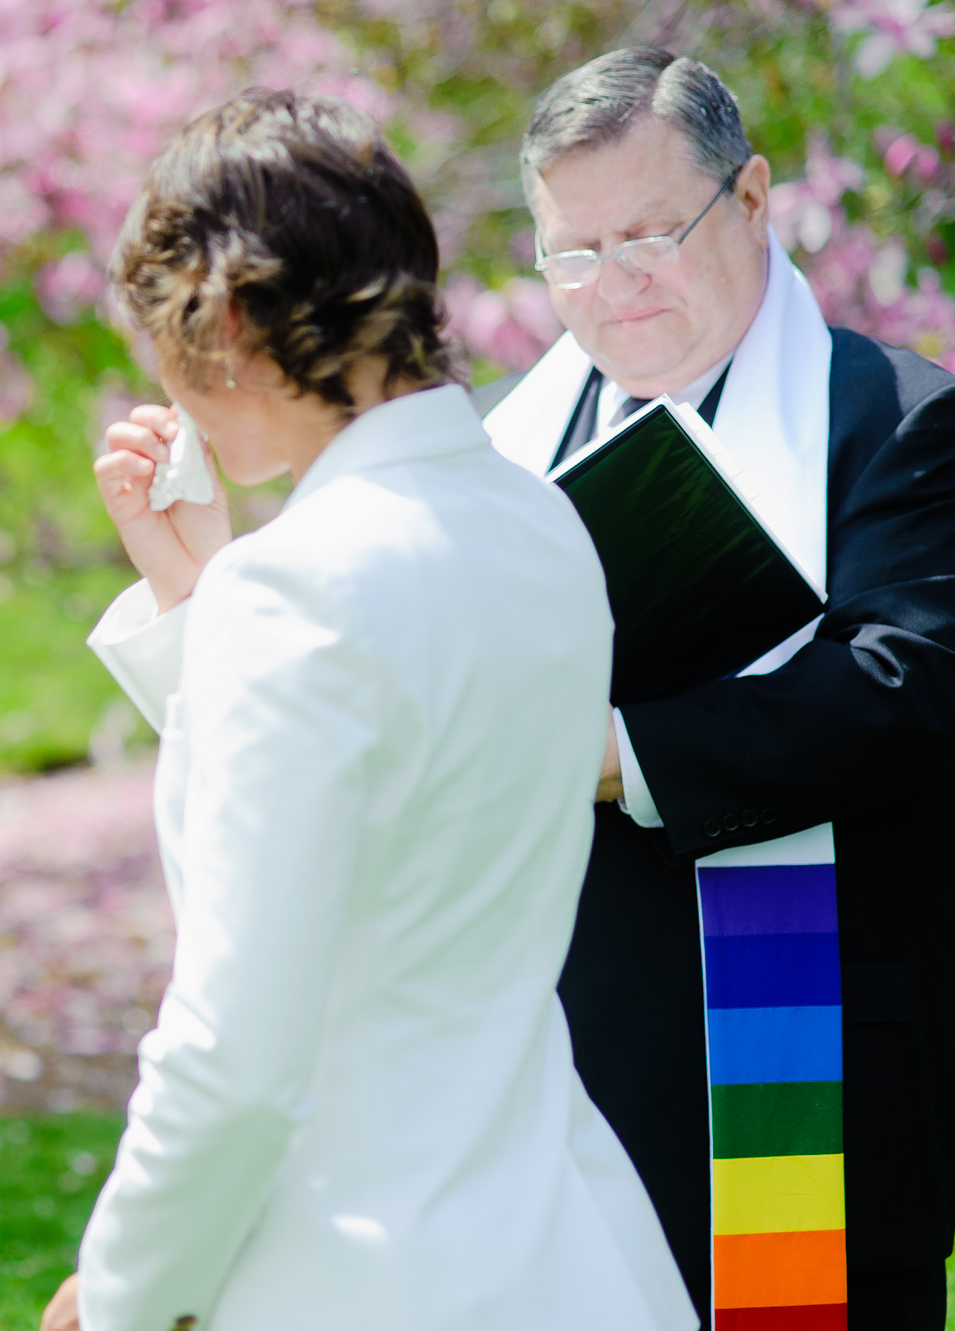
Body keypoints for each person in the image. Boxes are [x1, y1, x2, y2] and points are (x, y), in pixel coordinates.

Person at [40, 90, 695, 1331]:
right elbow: (408, 797)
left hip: (358, 1264)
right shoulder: (536, 525)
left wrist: (130, 1289)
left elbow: (233, 1052)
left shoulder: (292, 591)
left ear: (224, 323)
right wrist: (198, 588)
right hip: (563, 1240)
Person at [474, 48, 955, 1327]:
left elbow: (905, 688)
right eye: (570, 251)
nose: (611, 284)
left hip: (801, 1066)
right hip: (546, 1064)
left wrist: (615, 752)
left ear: (748, 201)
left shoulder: (893, 417)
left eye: (647, 233)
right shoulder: (485, 446)